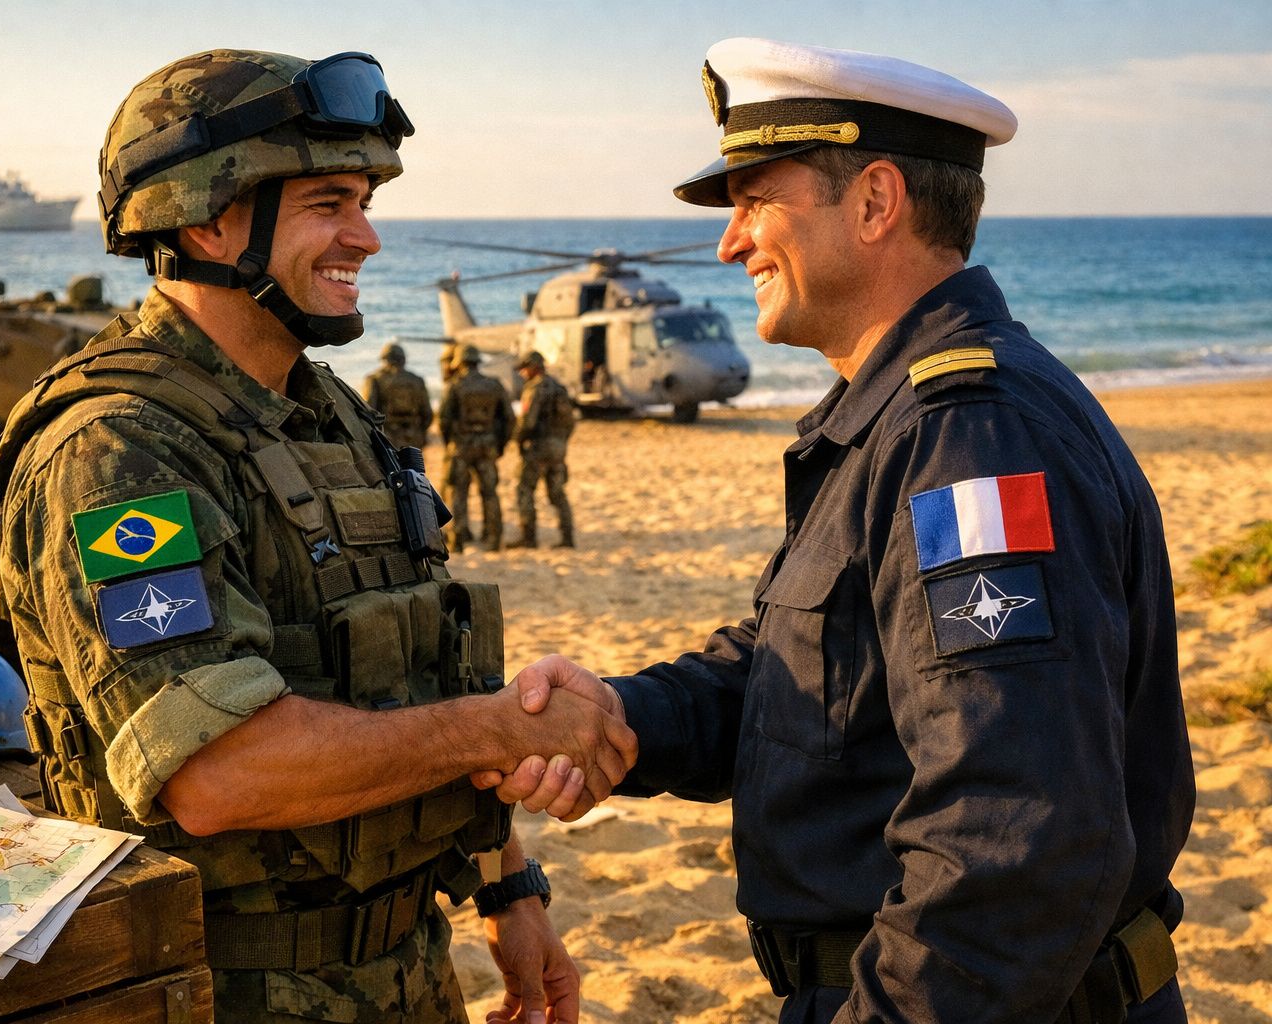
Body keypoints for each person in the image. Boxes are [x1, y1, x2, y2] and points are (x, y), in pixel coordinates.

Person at [493, 37, 1194, 1024]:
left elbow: (1013, 839)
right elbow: (821, 681)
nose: (731, 243)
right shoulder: (897, 418)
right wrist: (627, 717)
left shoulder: (968, 436)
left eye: (753, 202)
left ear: (873, 203)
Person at [0, 49, 635, 1024]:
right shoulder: (121, 450)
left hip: (402, 971)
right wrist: (506, 724)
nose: (366, 236)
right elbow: (216, 770)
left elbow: (416, 669)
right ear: (210, 215)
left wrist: (508, 887)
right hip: (214, 991)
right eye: (331, 202)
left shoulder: (334, 416)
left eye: (365, 201)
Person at [439, 344, 514, 553]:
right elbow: (508, 418)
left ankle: (458, 539)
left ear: (460, 362)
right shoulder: (494, 385)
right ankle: (493, 538)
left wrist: (449, 444)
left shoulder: (455, 385)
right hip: (487, 445)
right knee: (490, 492)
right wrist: (500, 444)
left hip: (461, 446)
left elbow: (444, 419)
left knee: (458, 493)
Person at [508, 351, 575, 549]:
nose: (521, 373)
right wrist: (561, 441)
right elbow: (570, 421)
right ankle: (567, 537)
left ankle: (528, 537)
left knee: (525, 489)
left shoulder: (535, 388)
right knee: (557, 492)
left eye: (523, 369)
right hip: (558, 447)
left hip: (539, 447)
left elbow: (527, 421)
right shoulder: (559, 387)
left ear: (533, 366)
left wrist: (517, 440)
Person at [363, 341, 433, 450]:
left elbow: (369, 411)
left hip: (385, 438)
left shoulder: (375, 379)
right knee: (413, 466)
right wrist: (420, 432)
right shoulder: (417, 380)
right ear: (403, 359)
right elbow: (427, 413)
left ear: (385, 359)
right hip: (412, 436)